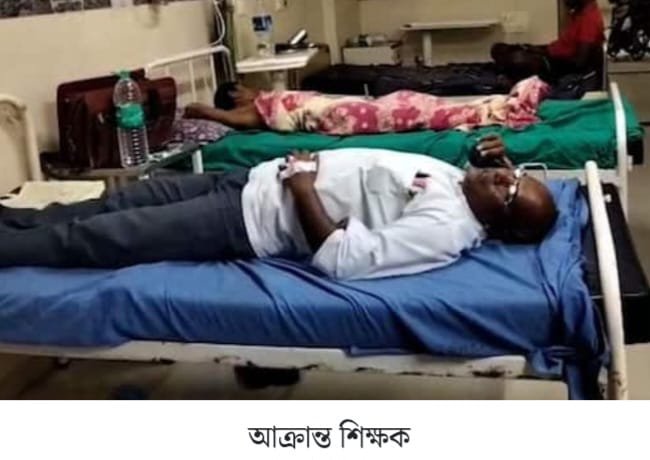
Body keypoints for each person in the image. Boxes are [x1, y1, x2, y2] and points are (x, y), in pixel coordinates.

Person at [0, 135, 558, 280]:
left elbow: (342, 259)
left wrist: (303, 187)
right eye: (516, 175)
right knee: (112, 201)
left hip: (247, 220)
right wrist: (495, 163)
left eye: (510, 191)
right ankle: (12, 221)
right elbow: (486, 183)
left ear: (499, 228)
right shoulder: (467, 187)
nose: (505, 178)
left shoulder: (445, 229)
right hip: (248, 181)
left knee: (99, 237)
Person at [184, 75, 550, 135]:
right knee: (413, 110)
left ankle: (493, 106)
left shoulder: (267, 99)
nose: (252, 89)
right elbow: (210, 114)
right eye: (244, 88)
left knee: (414, 102)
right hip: (340, 114)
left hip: (352, 104)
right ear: (236, 95)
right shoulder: (256, 110)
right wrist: (200, 112)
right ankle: (494, 109)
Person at [491, 0, 605, 83]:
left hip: (557, 65)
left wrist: (543, 56)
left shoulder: (589, 19)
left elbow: (580, 62)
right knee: (499, 48)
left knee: (517, 59)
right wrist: (537, 49)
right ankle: (504, 74)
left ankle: (505, 78)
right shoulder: (579, 13)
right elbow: (563, 46)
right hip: (551, 55)